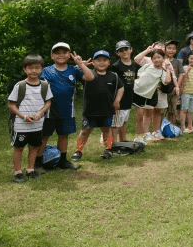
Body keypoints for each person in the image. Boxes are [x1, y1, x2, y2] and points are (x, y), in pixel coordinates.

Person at [36, 42, 93, 172]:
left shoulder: (74, 69)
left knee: (64, 135)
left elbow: (90, 77)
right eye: (57, 52)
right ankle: (37, 163)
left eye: (64, 52)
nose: (61, 55)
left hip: (67, 110)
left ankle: (63, 161)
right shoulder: (45, 71)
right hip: (48, 111)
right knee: (45, 136)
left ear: (69, 55)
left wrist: (80, 64)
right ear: (52, 56)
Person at [8, 54, 52, 182]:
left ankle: (30, 170)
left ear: (41, 69)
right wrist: (23, 116)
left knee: (34, 147)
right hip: (21, 125)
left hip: (37, 124)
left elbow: (48, 102)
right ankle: (17, 172)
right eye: (30, 68)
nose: (34, 71)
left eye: (37, 68)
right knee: (19, 147)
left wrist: (40, 114)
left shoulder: (44, 85)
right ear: (25, 70)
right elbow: (11, 104)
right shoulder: (20, 86)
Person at [72, 50, 122, 161]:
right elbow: (74, 72)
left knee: (106, 130)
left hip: (107, 109)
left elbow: (120, 88)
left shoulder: (114, 76)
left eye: (104, 60)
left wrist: (117, 100)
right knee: (85, 131)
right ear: (93, 62)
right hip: (90, 110)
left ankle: (108, 149)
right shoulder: (87, 74)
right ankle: (78, 151)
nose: (101, 63)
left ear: (109, 62)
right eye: (98, 60)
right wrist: (80, 64)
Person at [132, 46, 175, 143]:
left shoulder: (162, 72)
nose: (157, 60)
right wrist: (147, 50)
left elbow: (167, 81)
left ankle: (147, 134)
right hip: (137, 93)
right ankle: (138, 136)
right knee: (139, 116)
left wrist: (167, 68)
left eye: (159, 57)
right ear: (151, 59)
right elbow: (136, 60)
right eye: (154, 58)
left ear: (163, 58)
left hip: (149, 95)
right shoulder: (147, 66)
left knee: (147, 114)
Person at [110, 40, 138, 143]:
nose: (124, 52)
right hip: (118, 98)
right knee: (116, 123)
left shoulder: (135, 65)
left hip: (129, 97)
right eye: (121, 50)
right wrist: (115, 99)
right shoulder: (115, 66)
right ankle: (114, 144)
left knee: (124, 121)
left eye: (126, 49)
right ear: (118, 53)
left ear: (131, 50)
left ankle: (123, 140)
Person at [176, 52, 193, 133]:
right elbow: (182, 79)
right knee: (184, 109)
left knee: (191, 111)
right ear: (188, 59)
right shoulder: (185, 68)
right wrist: (186, 73)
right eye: (191, 58)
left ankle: (190, 126)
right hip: (186, 93)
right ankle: (183, 127)